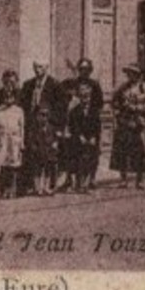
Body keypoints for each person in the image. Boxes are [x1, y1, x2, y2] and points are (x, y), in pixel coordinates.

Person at [60, 59, 106, 193]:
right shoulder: (72, 83)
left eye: (86, 69)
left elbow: (99, 104)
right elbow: (62, 92)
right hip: (76, 122)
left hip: (91, 122)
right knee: (72, 152)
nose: (83, 71)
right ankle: (70, 179)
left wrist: (90, 109)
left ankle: (91, 178)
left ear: (90, 70)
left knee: (93, 152)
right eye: (81, 69)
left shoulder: (95, 85)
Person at [20, 61, 65, 196]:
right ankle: (34, 186)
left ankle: (49, 185)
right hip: (32, 127)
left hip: (49, 127)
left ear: (46, 67)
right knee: (34, 156)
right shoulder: (28, 85)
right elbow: (23, 105)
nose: (37, 70)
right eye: (35, 67)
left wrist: (58, 128)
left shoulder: (55, 85)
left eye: (40, 67)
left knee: (49, 158)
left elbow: (61, 109)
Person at [109, 64, 145, 188]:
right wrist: (117, 111)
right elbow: (114, 101)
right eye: (129, 73)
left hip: (138, 123)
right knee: (121, 151)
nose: (130, 76)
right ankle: (123, 179)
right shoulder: (122, 88)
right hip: (124, 122)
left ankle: (139, 179)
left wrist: (136, 108)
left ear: (138, 75)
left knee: (139, 152)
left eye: (133, 73)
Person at [0, 72, 25, 199]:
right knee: (3, 165)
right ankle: (3, 189)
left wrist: (22, 142)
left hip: (15, 140)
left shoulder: (18, 110)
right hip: (2, 139)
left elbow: (22, 127)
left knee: (13, 165)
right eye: (6, 97)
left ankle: (13, 189)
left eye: (10, 97)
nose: (8, 99)